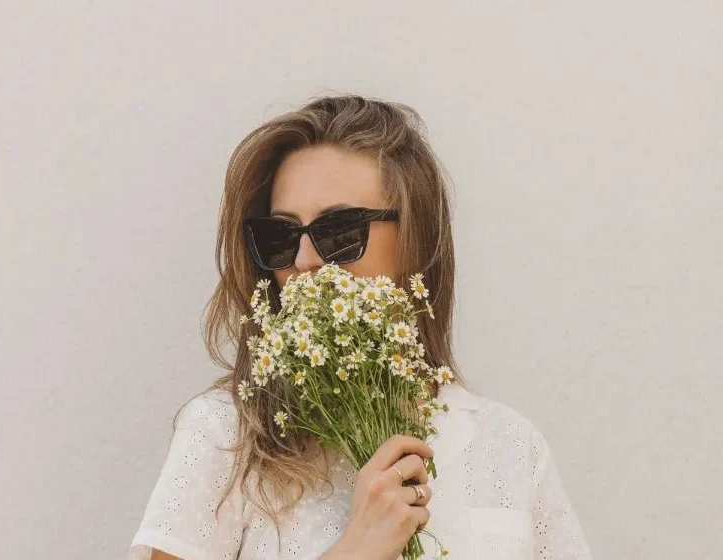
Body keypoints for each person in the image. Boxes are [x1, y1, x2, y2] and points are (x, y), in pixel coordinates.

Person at [128, 94, 594, 559]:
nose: (306, 262)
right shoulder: (229, 435)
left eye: (339, 233)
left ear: (415, 239)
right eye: (282, 237)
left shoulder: (510, 445)